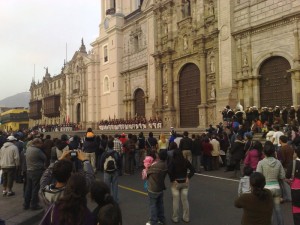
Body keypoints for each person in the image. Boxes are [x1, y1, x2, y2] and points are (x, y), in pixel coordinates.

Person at [256, 141, 285, 225]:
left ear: (264, 152)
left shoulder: (261, 163)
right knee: (278, 210)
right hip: (277, 188)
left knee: (269, 212)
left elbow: (258, 177)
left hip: (266, 189)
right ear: (273, 152)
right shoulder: (278, 162)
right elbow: (282, 176)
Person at [168, 149, 195, 223]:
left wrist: (173, 179)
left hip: (176, 182)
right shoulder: (185, 161)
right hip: (184, 182)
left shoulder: (172, 161)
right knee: (185, 200)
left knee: (175, 201)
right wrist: (188, 177)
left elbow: (169, 171)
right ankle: (186, 217)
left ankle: (175, 218)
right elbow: (193, 170)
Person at [146, 150, 168, 225]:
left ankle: (153, 221)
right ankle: (161, 219)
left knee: (153, 205)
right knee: (160, 204)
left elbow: (147, 173)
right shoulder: (165, 164)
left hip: (153, 187)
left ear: (159, 156)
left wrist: (148, 166)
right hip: (160, 187)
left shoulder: (156, 166)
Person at [24, 138, 46, 210]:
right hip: (36, 171)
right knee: (35, 188)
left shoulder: (28, 149)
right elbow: (44, 158)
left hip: (29, 170)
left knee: (28, 188)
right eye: (40, 143)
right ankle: (34, 205)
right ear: (36, 143)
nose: (41, 145)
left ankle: (26, 204)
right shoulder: (37, 150)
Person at [286, 146, 300, 224]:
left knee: (296, 209)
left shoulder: (293, 163)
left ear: (296, 153)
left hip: (296, 188)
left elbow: (288, 175)